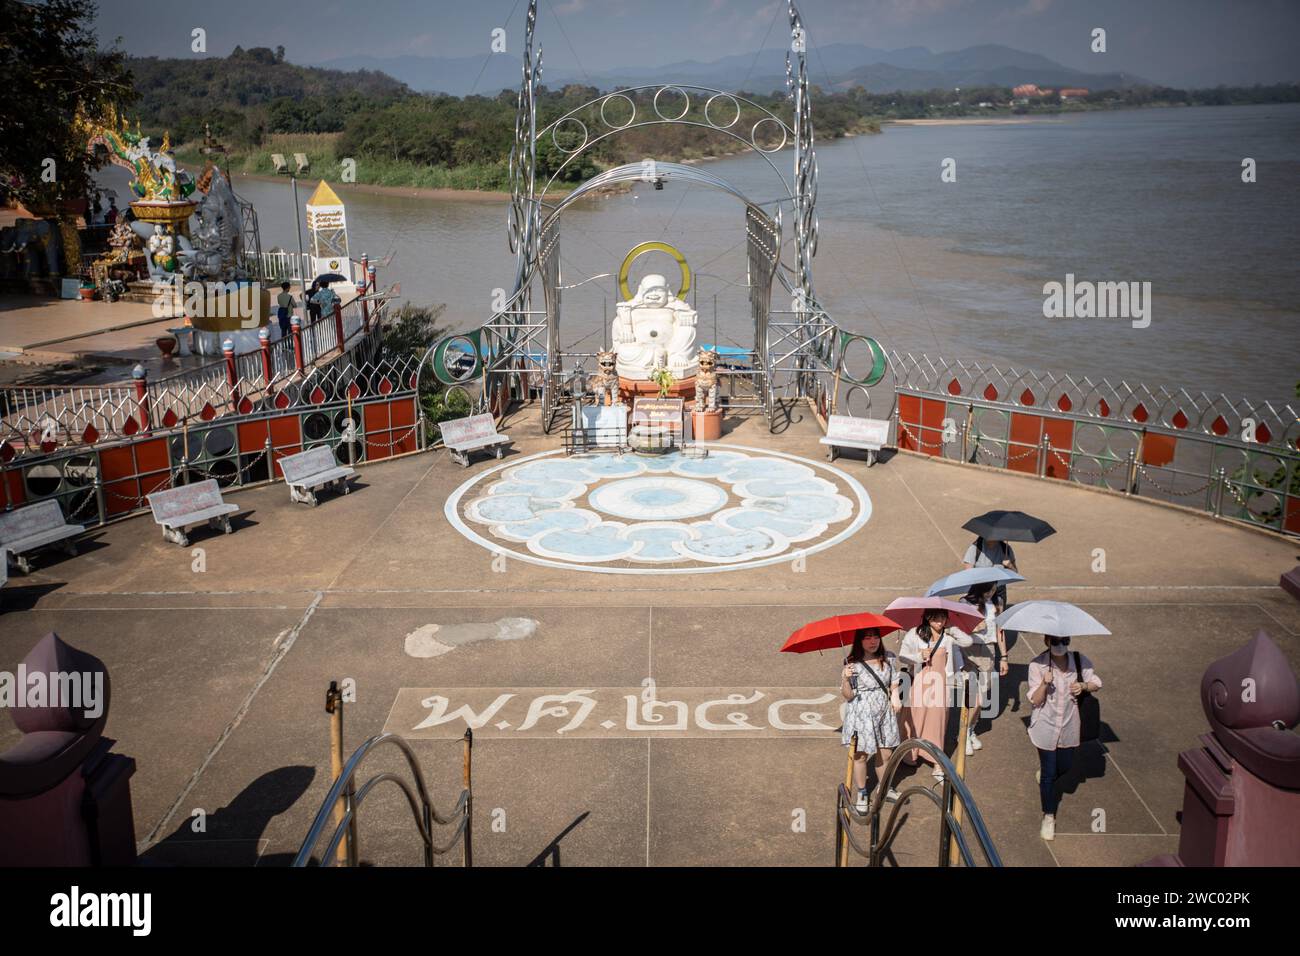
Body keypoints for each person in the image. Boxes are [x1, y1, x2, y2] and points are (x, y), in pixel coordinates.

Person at [1026, 635, 1102, 841]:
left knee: (1066, 766)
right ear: (1047, 642)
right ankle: (1049, 816)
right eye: (1056, 642)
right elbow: (1035, 699)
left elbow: (1096, 682)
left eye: (1064, 641)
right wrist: (1043, 683)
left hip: (1069, 726)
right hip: (1045, 726)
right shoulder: (1037, 664)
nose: (1060, 646)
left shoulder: (1079, 660)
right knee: (1049, 774)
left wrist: (1083, 686)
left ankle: (1045, 778)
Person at [897, 609, 973, 786]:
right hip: (919, 683)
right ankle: (910, 754)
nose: (939, 621)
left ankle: (937, 763)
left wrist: (953, 629)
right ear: (927, 618)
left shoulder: (948, 637)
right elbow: (902, 656)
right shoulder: (914, 634)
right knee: (914, 719)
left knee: (937, 722)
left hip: (940, 685)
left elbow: (967, 641)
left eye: (943, 617)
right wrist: (918, 656)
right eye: (935, 618)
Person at [840, 628, 903, 810]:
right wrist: (845, 679)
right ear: (859, 641)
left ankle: (884, 788)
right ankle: (862, 792)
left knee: (886, 753)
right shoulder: (851, 663)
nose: (873, 641)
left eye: (875, 637)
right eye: (867, 638)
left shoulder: (889, 657)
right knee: (861, 755)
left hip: (884, 709)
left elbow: (894, 680)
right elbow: (848, 695)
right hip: (861, 712)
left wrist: (895, 696)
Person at [960, 583, 1009, 757]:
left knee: (982, 696)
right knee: (974, 698)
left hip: (989, 650)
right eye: (989, 590)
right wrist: (972, 628)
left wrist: (1004, 657)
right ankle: (964, 734)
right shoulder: (965, 603)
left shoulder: (997, 602)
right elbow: (957, 628)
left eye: (995, 589)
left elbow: (1000, 630)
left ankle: (971, 729)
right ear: (980, 588)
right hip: (969, 650)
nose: (992, 593)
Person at [963, 536, 1017, 609]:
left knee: (998, 617)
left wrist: (1009, 565)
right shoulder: (975, 548)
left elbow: (1015, 573)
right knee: (979, 615)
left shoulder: (1006, 549)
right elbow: (968, 573)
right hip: (979, 590)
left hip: (999, 590)